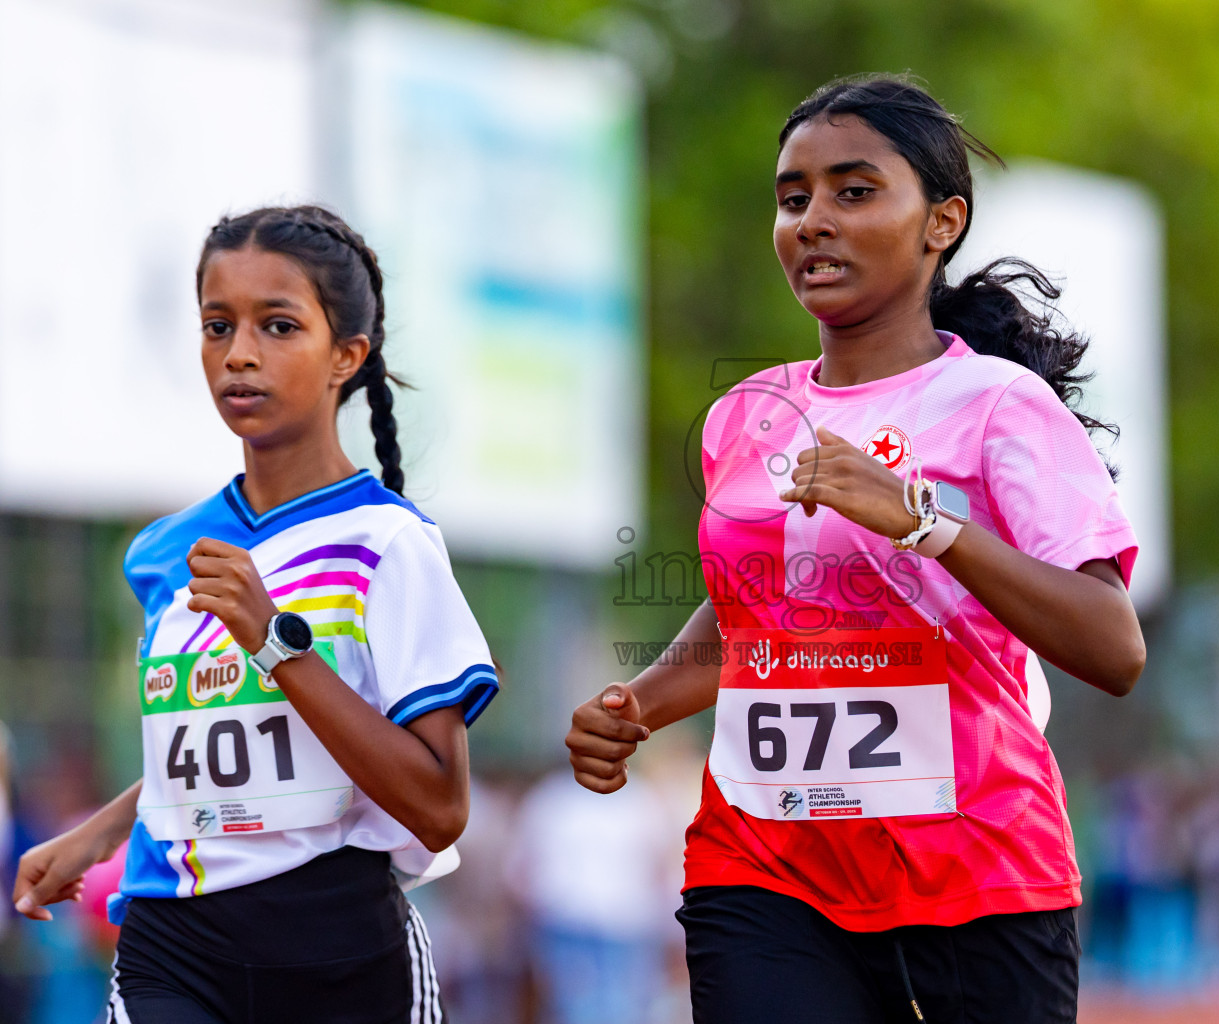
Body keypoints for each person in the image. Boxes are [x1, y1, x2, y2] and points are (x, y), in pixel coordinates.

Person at [566, 76, 1144, 1023]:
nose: (813, 221)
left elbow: (1112, 647)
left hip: (975, 874)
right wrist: (641, 704)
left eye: (854, 190)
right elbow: (757, 610)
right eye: (794, 199)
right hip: (764, 866)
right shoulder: (743, 415)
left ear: (941, 222)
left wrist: (923, 521)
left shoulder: (1000, 406)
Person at [11, 206, 499, 1023]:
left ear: (348, 355)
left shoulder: (388, 544)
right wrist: (97, 836)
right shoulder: (164, 552)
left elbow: (441, 804)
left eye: (278, 326)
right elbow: (225, 738)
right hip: (175, 942)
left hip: (340, 949)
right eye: (216, 325)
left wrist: (276, 642)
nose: (238, 354)